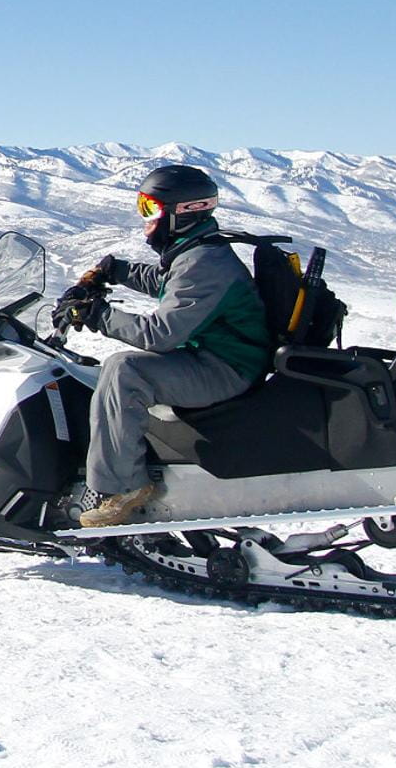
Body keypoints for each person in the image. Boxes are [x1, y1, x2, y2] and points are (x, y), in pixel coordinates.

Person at [51, 163, 274, 529]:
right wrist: (114, 271)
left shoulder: (205, 263)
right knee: (119, 368)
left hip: (226, 368)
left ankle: (122, 489)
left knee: (124, 371)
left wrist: (98, 315)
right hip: (215, 356)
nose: (145, 219)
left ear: (181, 214)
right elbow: (166, 281)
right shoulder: (196, 252)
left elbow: (160, 334)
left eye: (150, 209)